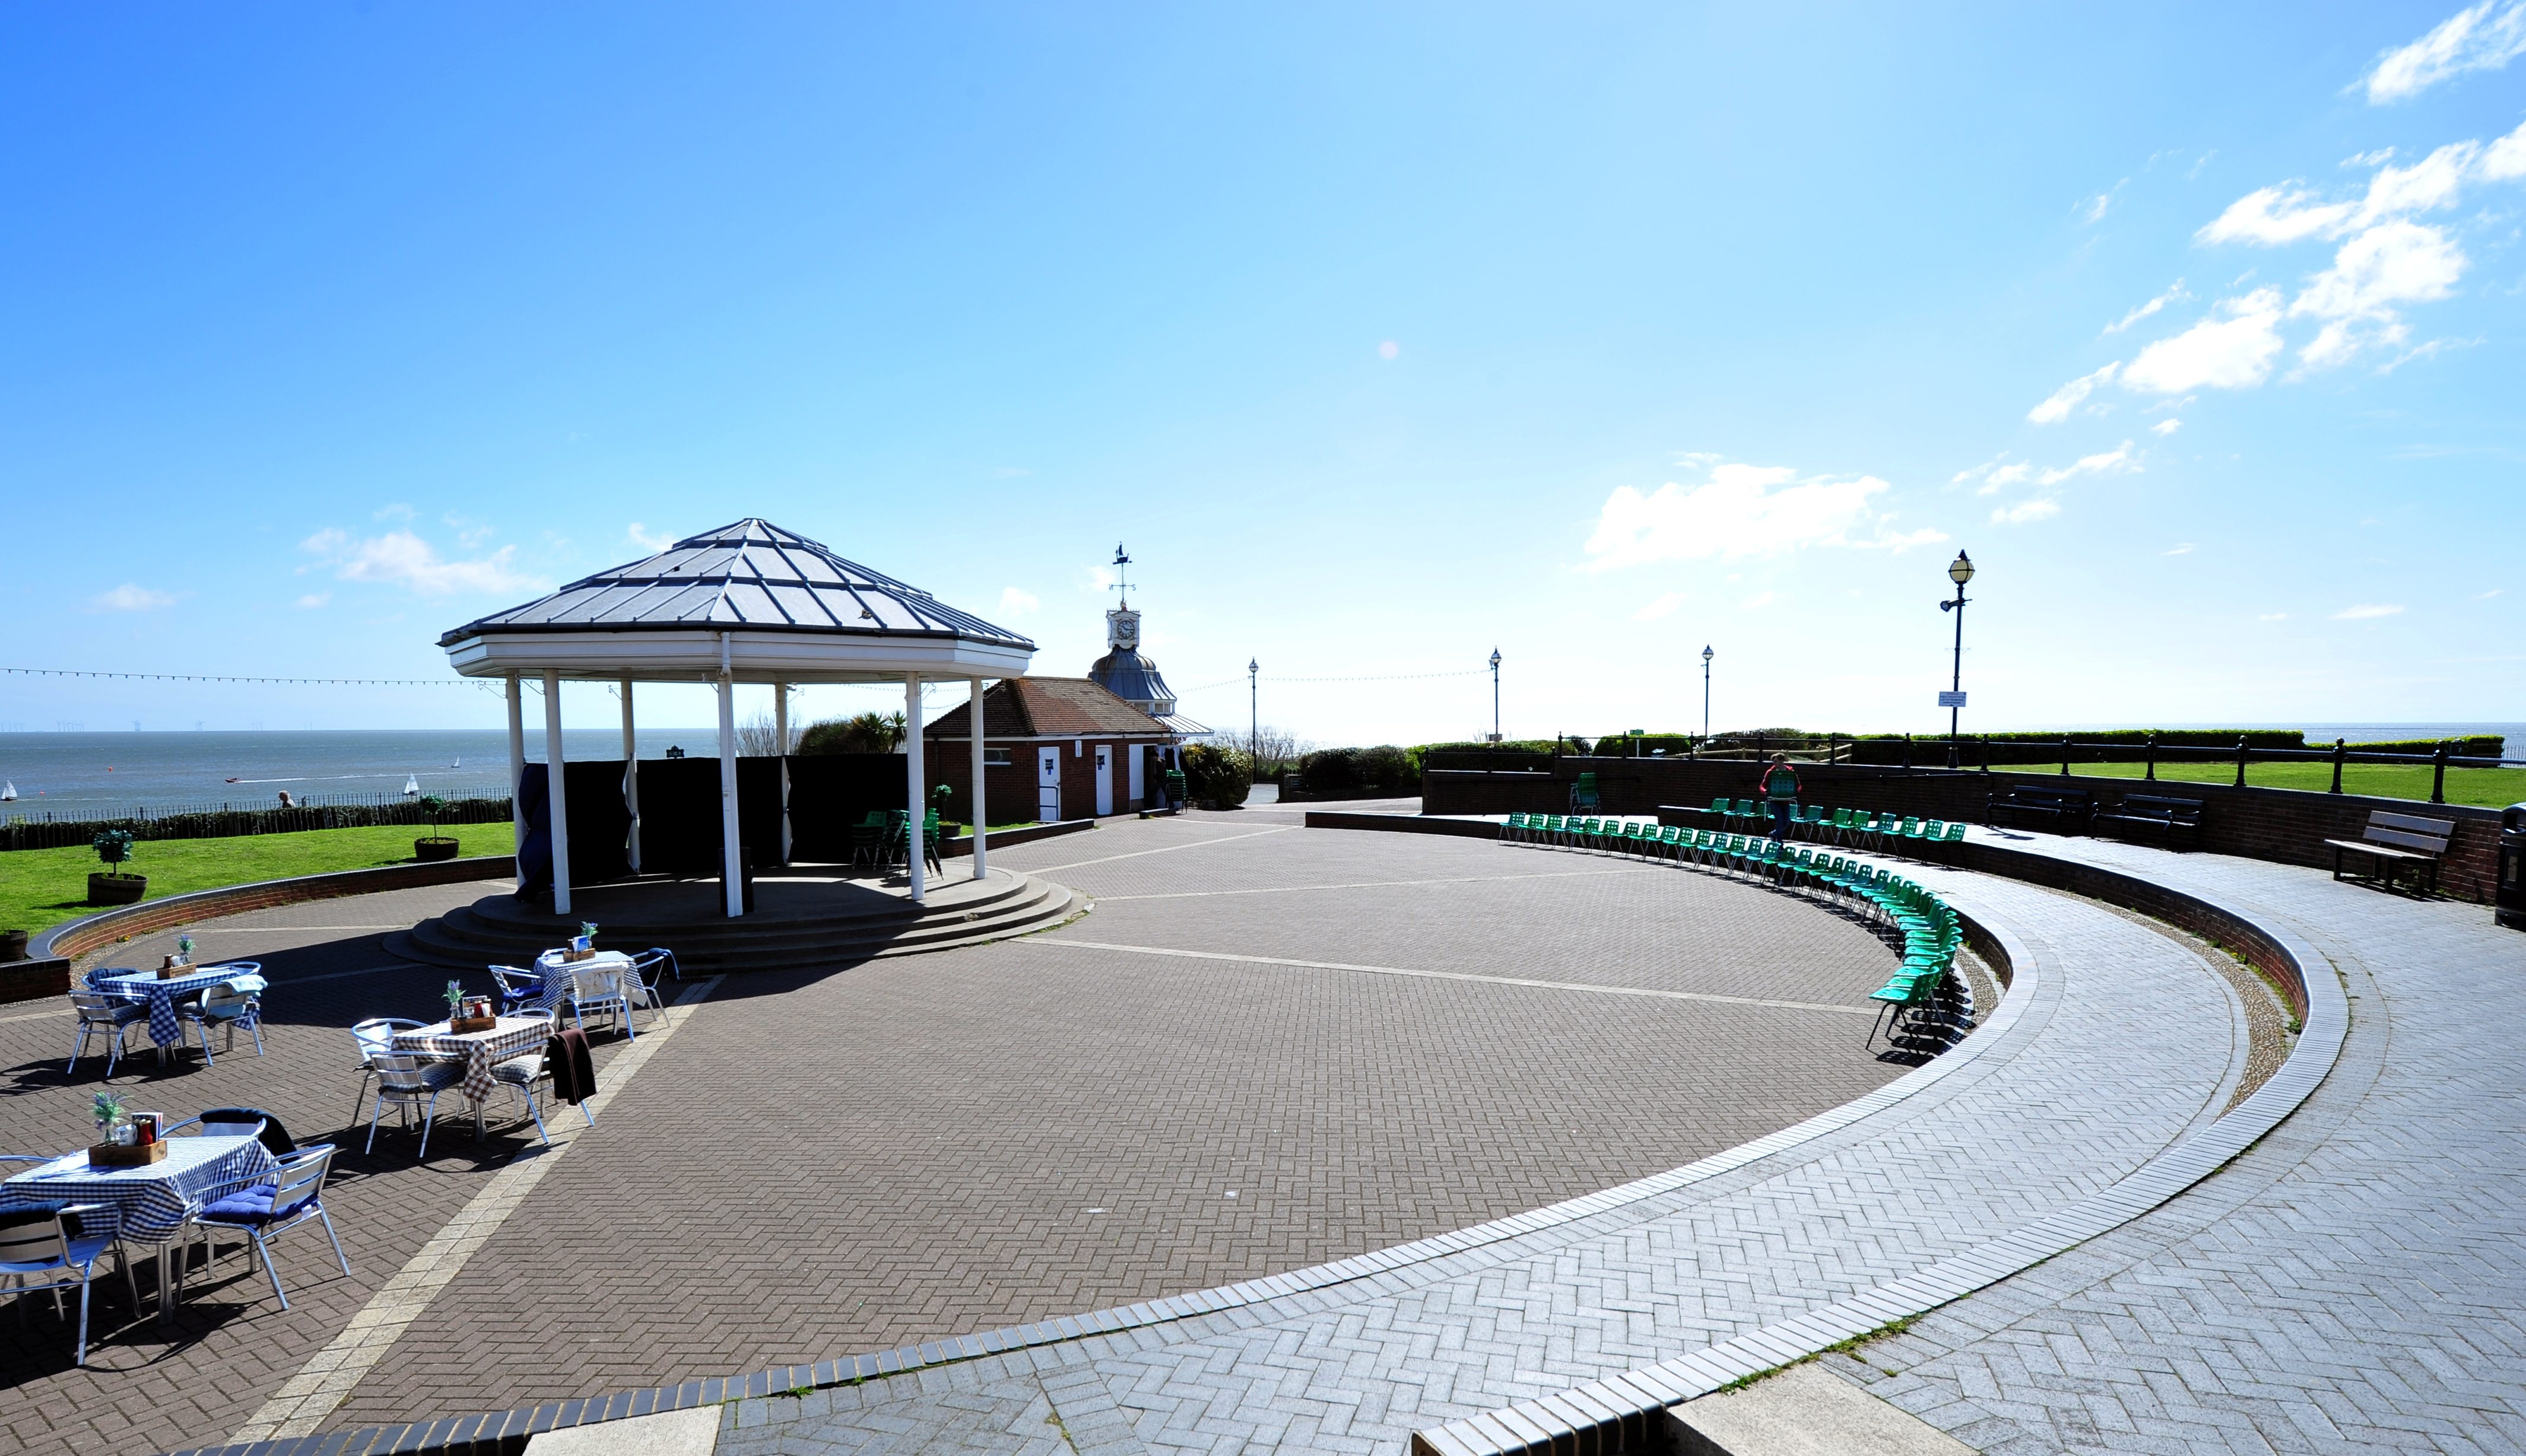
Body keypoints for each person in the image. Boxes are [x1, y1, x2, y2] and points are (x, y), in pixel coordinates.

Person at [1758, 752, 1801, 842]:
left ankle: (1774, 834)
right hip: (1774, 801)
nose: (1774, 763)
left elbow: (1798, 785)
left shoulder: (1791, 772)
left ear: (1782, 761)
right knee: (1780, 822)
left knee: (1786, 823)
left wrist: (1797, 791)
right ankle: (1780, 844)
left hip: (1786, 801)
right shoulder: (1770, 772)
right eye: (1773, 761)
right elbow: (1762, 786)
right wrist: (1765, 792)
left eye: (1776, 761)